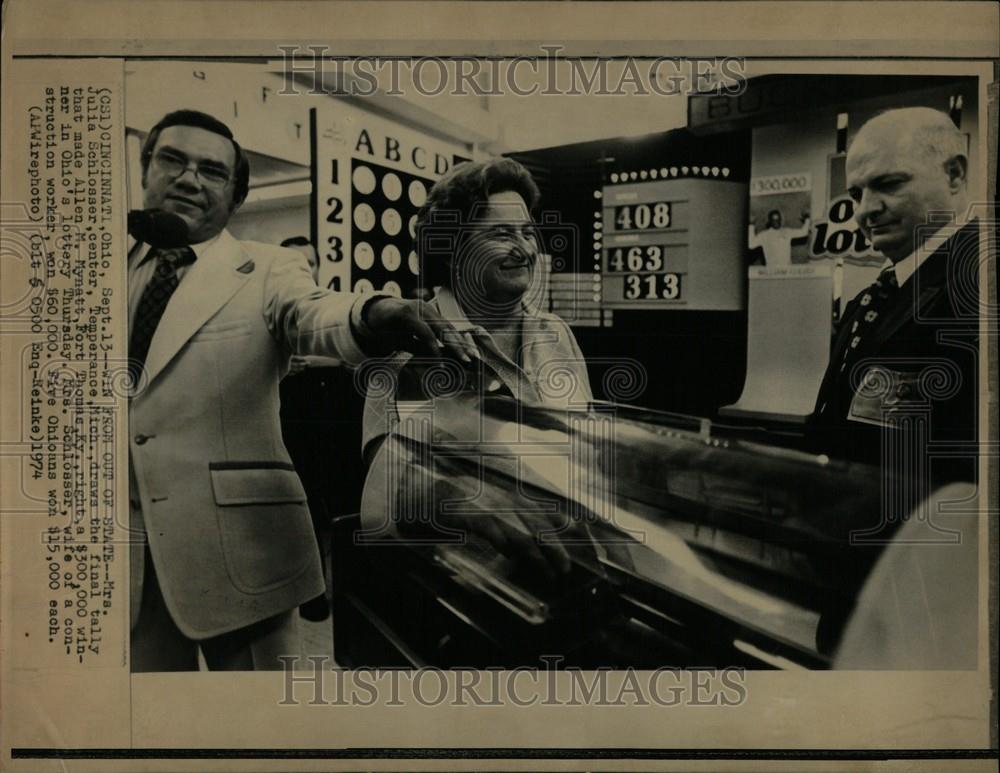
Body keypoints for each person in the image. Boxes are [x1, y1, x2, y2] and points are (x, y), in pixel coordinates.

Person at [127, 110, 476, 671]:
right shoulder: (104, 271)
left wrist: (374, 312)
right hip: (133, 561)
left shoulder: (267, 268)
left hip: (240, 554)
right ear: (145, 168)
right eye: (173, 159)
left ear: (236, 196)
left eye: (211, 171)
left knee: (261, 729)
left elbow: (315, 312)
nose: (190, 178)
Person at [360, 158, 594, 578]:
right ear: (453, 246)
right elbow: (387, 490)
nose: (524, 249)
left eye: (527, 232)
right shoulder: (410, 347)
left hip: (567, 567)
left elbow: (587, 445)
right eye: (501, 234)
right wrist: (465, 498)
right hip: (469, 587)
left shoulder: (556, 333)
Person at [810, 107, 979, 484]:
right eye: (856, 193)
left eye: (889, 184)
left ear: (954, 174)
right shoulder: (874, 297)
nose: (865, 210)